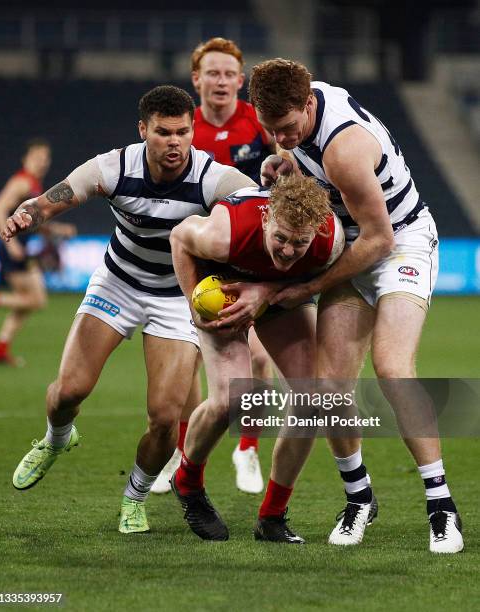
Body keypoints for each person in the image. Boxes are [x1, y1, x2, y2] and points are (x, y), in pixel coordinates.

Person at [4, 85, 256, 534]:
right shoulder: (113, 167)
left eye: (182, 132)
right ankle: (56, 439)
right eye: (163, 133)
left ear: (193, 131)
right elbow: (57, 196)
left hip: (177, 297)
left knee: (164, 416)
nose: (174, 142)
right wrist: (29, 215)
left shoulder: (212, 177)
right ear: (144, 131)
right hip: (117, 283)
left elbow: (259, 205)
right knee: (68, 392)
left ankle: (134, 497)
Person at [238, 58, 463, 553]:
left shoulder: (344, 148)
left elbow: (380, 238)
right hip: (353, 242)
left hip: (399, 242)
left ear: (309, 104)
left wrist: (308, 287)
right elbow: (304, 154)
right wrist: (287, 162)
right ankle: (359, 497)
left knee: (392, 368)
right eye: (271, 129)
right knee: (329, 388)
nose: (282, 136)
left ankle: (441, 506)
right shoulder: (298, 103)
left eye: (289, 127)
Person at [168, 173, 362, 542]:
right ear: (265, 219)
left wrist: (266, 290)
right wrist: (194, 302)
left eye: (300, 242)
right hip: (221, 289)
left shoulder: (329, 241)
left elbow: (320, 273)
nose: (289, 250)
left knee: (312, 401)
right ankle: (188, 482)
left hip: (280, 298)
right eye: (281, 238)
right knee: (232, 400)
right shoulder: (226, 233)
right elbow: (179, 237)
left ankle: (272, 516)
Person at [152, 37, 276, 496]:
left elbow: (288, 167)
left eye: (229, 74)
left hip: (249, 257)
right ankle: (180, 454)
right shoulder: (181, 128)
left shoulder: (258, 122)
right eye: (213, 73)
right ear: (196, 79)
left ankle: (247, 447)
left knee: (260, 358)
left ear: (240, 81)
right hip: (192, 255)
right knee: (187, 364)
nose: (221, 80)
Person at [0, 139, 75, 366]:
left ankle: (0, 349)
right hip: (12, 246)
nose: (42, 162)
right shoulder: (22, 182)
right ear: (26, 159)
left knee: (28, 302)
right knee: (36, 300)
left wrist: (56, 229)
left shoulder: (34, 185)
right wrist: (10, 244)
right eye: (37, 157)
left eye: (45, 158)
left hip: (20, 246)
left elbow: (33, 220)